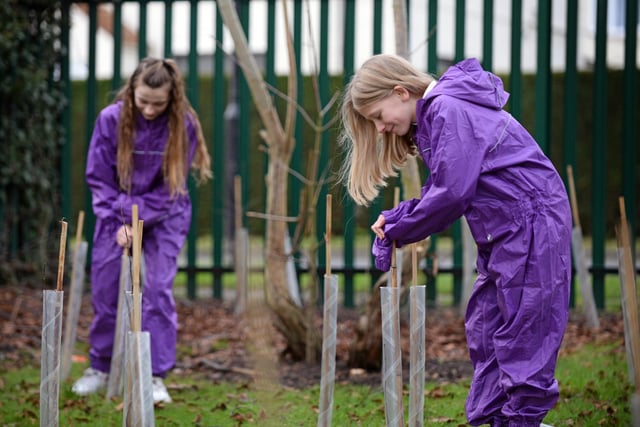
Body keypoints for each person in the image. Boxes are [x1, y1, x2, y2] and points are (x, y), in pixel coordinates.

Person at [339, 54, 571, 427]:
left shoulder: (447, 108)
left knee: (523, 327)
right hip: (504, 228)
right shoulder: (438, 115)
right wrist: (399, 217)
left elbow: (452, 194)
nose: (380, 128)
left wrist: (403, 230)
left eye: (379, 116)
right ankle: (494, 418)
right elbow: (445, 184)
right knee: (486, 325)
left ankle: (521, 420)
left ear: (401, 92)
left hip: (530, 220)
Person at [73, 57, 212, 403]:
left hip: (166, 216)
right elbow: (98, 178)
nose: (149, 110)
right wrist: (122, 221)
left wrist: (137, 220)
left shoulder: (184, 125)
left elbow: (172, 187)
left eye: (159, 103)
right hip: (114, 217)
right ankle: (101, 368)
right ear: (131, 91)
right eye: (143, 101)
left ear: (173, 97)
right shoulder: (110, 120)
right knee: (106, 289)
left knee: (156, 290)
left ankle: (153, 375)